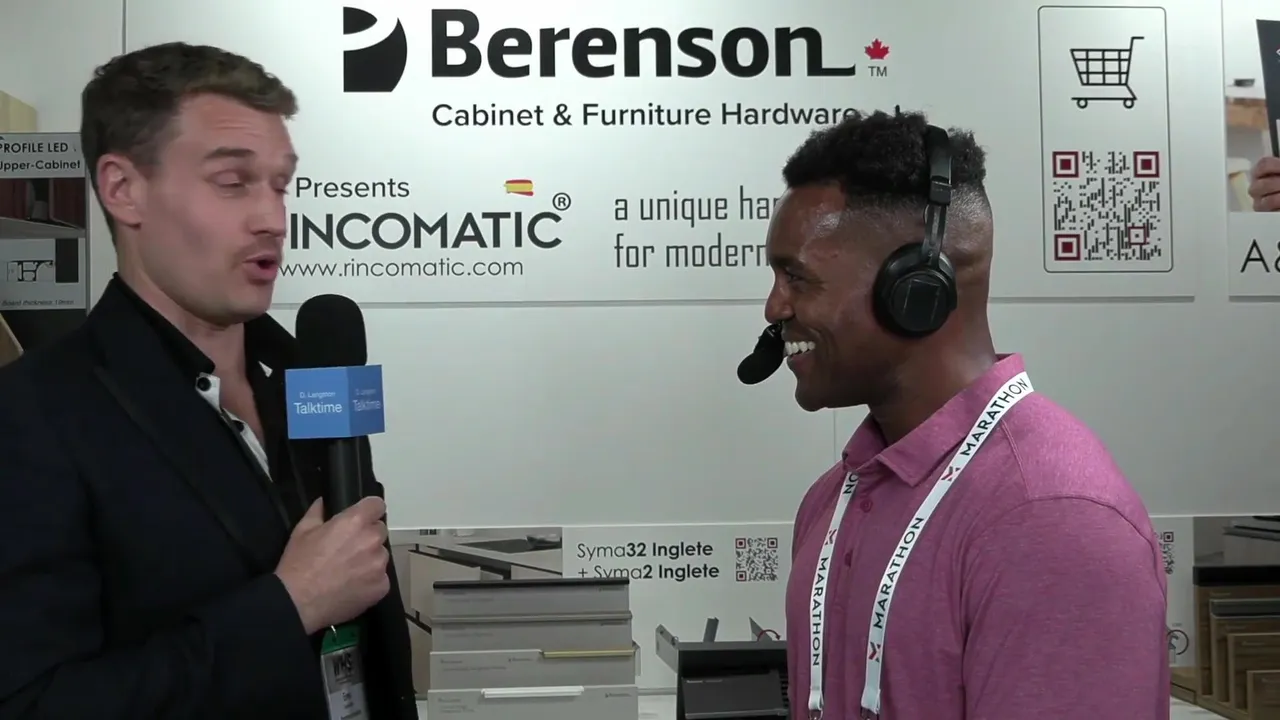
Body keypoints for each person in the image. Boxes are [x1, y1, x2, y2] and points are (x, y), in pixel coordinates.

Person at [0, 43, 416, 719]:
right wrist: (290, 604)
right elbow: (34, 705)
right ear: (123, 189)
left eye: (280, 185)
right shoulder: (34, 417)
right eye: (232, 182)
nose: (273, 219)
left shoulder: (308, 382)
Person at [769, 110, 1168, 719]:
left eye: (799, 278)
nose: (775, 307)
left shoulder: (1051, 518)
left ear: (916, 287)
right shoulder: (834, 498)